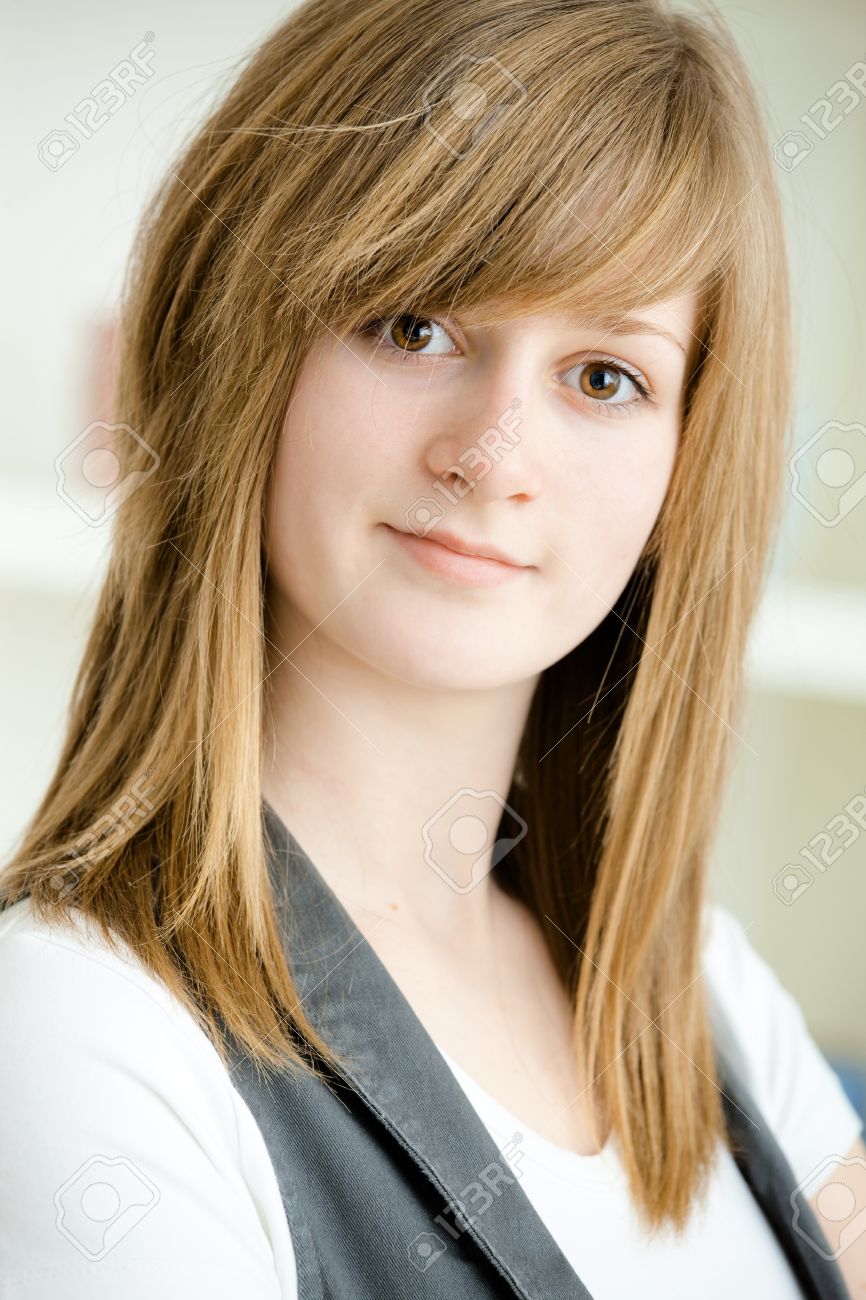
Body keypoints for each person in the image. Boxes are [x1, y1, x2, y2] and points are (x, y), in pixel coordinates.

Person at [1, 0, 863, 1295]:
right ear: (239, 346)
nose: (493, 457)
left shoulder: (703, 996)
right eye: (414, 325)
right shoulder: (77, 1030)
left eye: (601, 377)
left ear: (686, 465)